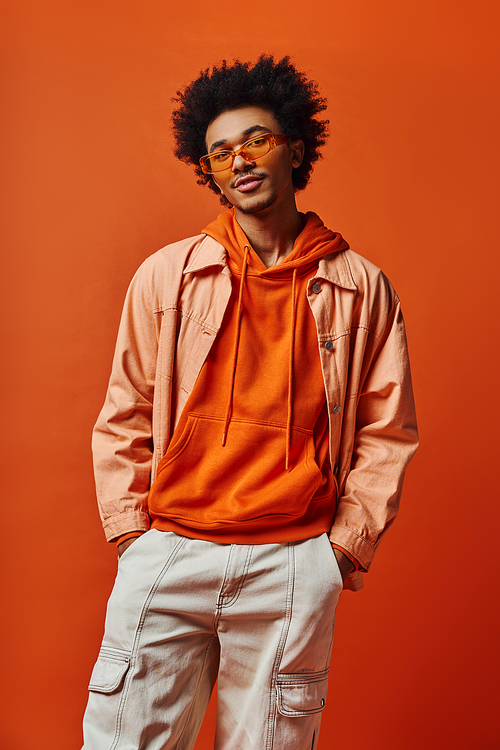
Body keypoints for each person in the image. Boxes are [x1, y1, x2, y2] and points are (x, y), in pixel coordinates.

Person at [82, 55, 418, 750]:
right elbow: (126, 409)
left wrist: (340, 554)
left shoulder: (362, 287)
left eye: (256, 140)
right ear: (206, 169)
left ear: (295, 147)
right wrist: (132, 538)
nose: (239, 160)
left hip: (292, 563)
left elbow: (388, 432)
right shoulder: (166, 275)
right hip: (171, 551)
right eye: (220, 151)